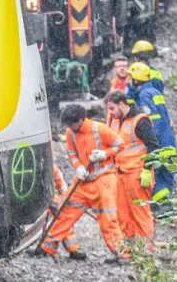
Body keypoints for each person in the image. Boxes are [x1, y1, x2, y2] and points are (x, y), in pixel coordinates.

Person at [41, 103, 129, 263]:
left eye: (73, 124)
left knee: (108, 220)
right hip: (83, 181)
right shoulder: (70, 132)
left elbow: (120, 144)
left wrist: (104, 154)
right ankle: (47, 248)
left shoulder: (100, 129)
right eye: (68, 125)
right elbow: (72, 153)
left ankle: (121, 254)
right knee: (64, 212)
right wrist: (78, 167)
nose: (70, 127)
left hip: (103, 180)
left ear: (82, 119)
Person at [105, 90, 157, 253]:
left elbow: (154, 146)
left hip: (138, 174)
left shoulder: (140, 121)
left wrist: (148, 170)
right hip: (120, 173)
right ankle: (127, 249)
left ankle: (146, 251)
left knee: (141, 213)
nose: (110, 112)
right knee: (122, 214)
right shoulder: (114, 120)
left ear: (122, 104)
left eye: (112, 108)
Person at [127, 61, 177, 200]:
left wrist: (151, 143)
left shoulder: (144, 96)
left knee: (157, 177)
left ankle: (160, 208)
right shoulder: (154, 91)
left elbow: (151, 122)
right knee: (166, 176)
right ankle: (167, 208)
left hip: (159, 141)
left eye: (131, 77)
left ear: (136, 79)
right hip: (168, 140)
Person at [48, 164, 84, 259]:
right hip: (47, 192)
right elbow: (56, 174)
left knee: (61, 215)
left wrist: (63, 190)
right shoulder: (44, 160)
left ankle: (72, 249)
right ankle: (73, 249)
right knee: (62, 216)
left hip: (47, 192)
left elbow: (56, 174)